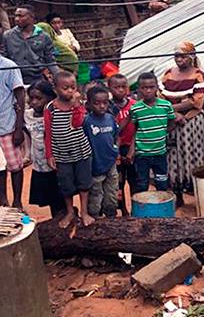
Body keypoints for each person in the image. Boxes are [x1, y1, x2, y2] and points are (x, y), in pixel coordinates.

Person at [44, 71, 92, 227]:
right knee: (66, 186)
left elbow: (78, 124)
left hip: (81, 151)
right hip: (61, 154)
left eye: (73, 87)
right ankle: (70, 211)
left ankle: (84, 212)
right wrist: (49, 154)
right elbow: (48, 132)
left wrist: (77, 106)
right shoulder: (50, 108)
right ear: (56, 89)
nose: (70, 91)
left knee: (84, 184)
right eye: (65, 88)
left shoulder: (78, 105)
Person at [161, 42, 204, 206]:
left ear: (191, 56)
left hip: (190, 122)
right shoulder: (168, 74)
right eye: (176, 56)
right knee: (173, 156)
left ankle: (197, 194)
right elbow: (161, 96)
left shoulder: (198, 75)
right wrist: (173, 113)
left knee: (191, 155)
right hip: (172, 122)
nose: (178, 59)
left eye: (182, 56)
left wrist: (173, 109)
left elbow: (196, 102)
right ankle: (177, 194)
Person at [128, 72, 179, 194]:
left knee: (162, 183)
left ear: (157, 87)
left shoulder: (166, 106)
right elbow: (135, 128)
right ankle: (142, 211)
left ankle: (160, 211)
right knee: (142, 184)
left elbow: (172, 121)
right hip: (142, 154)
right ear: (139, 89)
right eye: (144, 88)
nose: (148, 91)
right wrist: (133, 149)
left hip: (160, 153)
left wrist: (163, 132)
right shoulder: (136, 108)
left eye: (151, 87)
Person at [25, 80, 64, 216]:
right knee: (50, 199)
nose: (34, 102)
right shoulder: (28, 116)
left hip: (56, 164)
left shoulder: (56, 113)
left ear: (50, 97)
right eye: (32, 98)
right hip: (39, 165)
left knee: (61, 197)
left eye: (39, 98)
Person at [83, 85, 119, 219]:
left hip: (111, 162)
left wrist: (116, 150)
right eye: (97, 103)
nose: (102, 106)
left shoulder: (110, 118)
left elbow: (116, 136)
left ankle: (111, 215)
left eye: (105, 103)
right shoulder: (86, 121)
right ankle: (95, 216)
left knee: (111, 192)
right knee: (96, 193)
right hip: (94, 165)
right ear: (89, 104)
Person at [0, 4, 58, 84]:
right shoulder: (8, 36)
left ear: (31, 17)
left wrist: (59, 78)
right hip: (14, 79)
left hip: (37, 79)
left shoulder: (44, 37)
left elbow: (51, 61)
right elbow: (3, 59)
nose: (17, 19)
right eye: (16, 16)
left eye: (21, 16)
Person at [107, 74, 136, 216]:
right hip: (115, 150)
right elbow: (113, 131)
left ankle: (136, 209)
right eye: (116, 87)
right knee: (118, 182)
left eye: (123, 86)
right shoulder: (107, 107)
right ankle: (123, 209)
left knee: (134, 180)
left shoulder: (134, 104)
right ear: (109, 88)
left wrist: (133, 150)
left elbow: (138, 127)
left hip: (132, 147)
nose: (120, 90)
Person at [0, 54, 25, 208]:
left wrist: (18, 127)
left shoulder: (9, 65)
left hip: (7, 126)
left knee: (15, 166)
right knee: (0, 168)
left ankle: (17, 202)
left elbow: (20, 95)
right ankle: (3, 200)